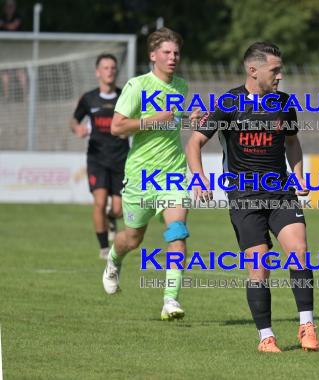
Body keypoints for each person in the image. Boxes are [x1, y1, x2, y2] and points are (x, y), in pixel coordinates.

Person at [187, 42, 319, 352]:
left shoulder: (284, 104)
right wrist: (199, 178)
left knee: (299, 249)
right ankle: (266, 337)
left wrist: (297, 174)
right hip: (244, 196)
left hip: (280, 191)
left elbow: (292, 142)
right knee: (258, 267)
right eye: (275, 70)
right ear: (253, 70)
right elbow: (194, 143)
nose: (280, 75)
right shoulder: (228, 103)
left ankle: (307, 325)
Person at [102, 27, 198, 321]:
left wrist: (190, 116)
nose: (173, 58)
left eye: (176, 53)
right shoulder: (138, 86)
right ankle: (114, 260)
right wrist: (153, 119)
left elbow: (175, 117)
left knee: (177, 233)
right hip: (141, 176)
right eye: (167, 53)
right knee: (132, 239)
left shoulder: (181, 86)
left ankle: (170, 300)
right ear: (153, 55)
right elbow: (117, 127)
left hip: (173, 173)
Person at [71, 54, 128, 259]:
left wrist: (128, 130)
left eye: (113, 67)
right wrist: (77, 128)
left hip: (121, 158)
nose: (110, 71)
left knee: (119, 209)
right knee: (99, 201)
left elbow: (136, 122)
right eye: (105, 67)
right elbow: (74, 121)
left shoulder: (125, 96)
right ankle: (104, 248)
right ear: (97, 72)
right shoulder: (89, 98)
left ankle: (112, 219)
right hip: (97, 159)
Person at [1, 0, 27, 100]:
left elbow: (13, 26)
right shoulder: (2, 17)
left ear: (14, 7)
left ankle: (25, 96)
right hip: (5, 50)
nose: (9, 8)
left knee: (20, 71)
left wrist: (4, 25)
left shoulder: (18, 17)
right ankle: (7, 96)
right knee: (5, 72)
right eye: (7, 6)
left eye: (11, 6)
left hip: (17, 49)